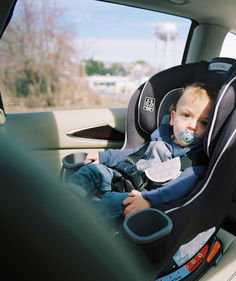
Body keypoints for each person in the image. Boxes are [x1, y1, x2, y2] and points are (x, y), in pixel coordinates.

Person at [67, 82, 217, 222]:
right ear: (173, 118)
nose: (192, 126)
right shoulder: (161, 138)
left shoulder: (193, 163)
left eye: (203, 122)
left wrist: (149, 200)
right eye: (186, 115)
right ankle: (65, 202)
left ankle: (78, 221)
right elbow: (134, 154)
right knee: (92, 170)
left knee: (110, 202)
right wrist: (104, 156)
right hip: (122, 177)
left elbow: (175, 190)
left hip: (141, 196)